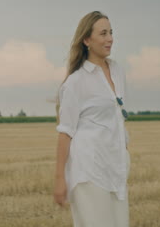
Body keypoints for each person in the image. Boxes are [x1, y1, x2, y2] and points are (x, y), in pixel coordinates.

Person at [53, 11, 131, 227]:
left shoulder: (117, 71)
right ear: (87, 40)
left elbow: (118, 117)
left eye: (111, 33)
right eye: (103, 33)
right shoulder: (76, 82)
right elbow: (65, 132)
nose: (110, 39)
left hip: (115, 167)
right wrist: (60, 179)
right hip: (89, 169)